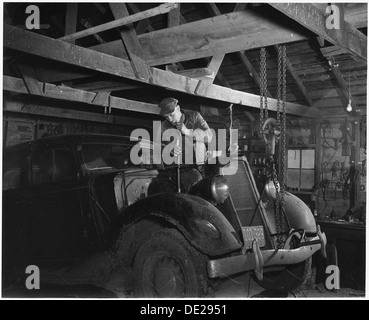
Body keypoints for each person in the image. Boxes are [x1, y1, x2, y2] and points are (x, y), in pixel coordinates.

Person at [156, 97, 213, 191]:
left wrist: (187, 131)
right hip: (177, 170)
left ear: (178, 108)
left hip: (200, 166)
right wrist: (168, 149)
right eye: (166, 116)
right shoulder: (164, 126)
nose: (170, 119)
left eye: (171, 115)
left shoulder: (195, 117)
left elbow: (209, 136)